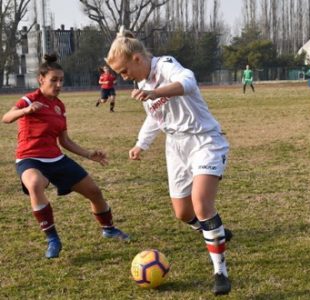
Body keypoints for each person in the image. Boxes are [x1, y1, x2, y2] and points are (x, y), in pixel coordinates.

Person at [105, 28, 232, 296]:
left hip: (204, 140)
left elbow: (189, 82)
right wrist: (141, 144)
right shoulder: (141, 86)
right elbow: (155, 117)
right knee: (184, 213)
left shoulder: (166, 65)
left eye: (124, 71)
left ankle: (220, 271)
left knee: (201, 203)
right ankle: (213, 230)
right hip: (176, 147)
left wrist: (157, 91)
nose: (124, 78)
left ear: (137, 58)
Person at [2, 54, 129, 259]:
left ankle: (109, 229)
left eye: (61, 80)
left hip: (56, 159)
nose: (59, 84)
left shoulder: (60, 106)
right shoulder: (30, 98)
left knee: (94, 192)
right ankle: (52, 239)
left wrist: (89, 154)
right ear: (41, 80)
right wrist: (26, 110)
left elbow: (65, 141)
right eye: (54, 80)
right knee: (35, 183)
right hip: (29, 159)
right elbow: (6, 118)